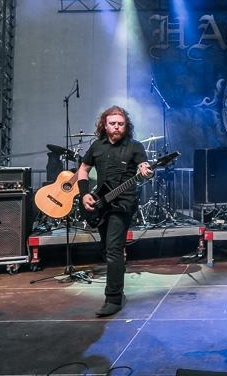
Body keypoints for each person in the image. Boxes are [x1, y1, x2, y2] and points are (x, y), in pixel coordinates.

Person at [78, 106, 153, 317]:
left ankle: (113, 298)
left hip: (123, 204)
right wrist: (84, 194)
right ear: (105, 125)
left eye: (121, 124)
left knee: (113, 249)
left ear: (126, 126)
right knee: (107, 249)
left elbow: (144, 166)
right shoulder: (97, 146)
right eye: (112, 123)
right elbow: (83, 169)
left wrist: (145, 171)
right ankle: (117, 287)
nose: (117, 127)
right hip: (102, 203)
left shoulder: (135, 147)